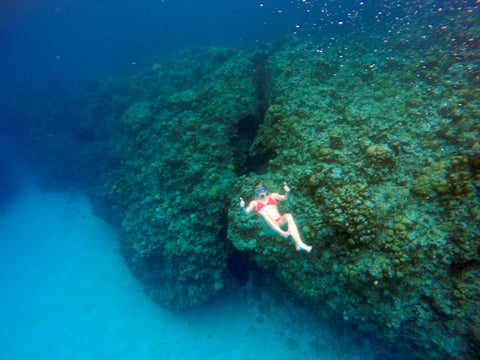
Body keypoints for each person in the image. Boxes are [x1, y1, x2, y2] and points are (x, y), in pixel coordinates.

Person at [240, 183, 313, 252]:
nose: (260, 191)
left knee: (288, 215)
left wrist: (287, 191)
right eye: (258, 190)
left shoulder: (273, 196)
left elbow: (284, 198)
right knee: (263, 211)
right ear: (256, 192)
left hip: (279, 223)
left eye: (262, 189)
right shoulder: (254, 202)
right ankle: (282, 233)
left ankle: (299, 243)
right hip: (269, 229)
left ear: (265, 189)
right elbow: (245, 213)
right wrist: (242, 207)